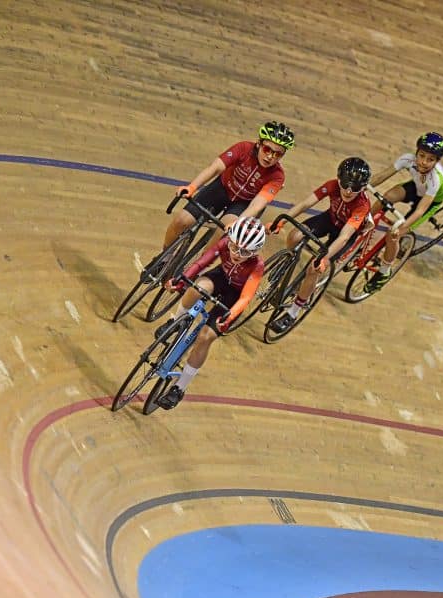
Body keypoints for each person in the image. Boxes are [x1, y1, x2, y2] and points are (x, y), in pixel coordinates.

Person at [153, 216, 268, 410]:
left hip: (235, 296)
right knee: (197, 288)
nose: (237, 254)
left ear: (255, 252)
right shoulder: (225, 243)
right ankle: (176, 320)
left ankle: (179, 388)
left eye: (244, 252)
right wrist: (182, 279)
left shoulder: (257, 266)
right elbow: (201, 263)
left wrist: (229, 316)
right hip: (221, 278)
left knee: (205, 337)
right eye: (234, 247)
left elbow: (246, 297)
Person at [267, 157, 373, 334]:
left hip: (345, 233)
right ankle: (288, 262)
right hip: (330, 219)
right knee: (295, 236)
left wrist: (324, 258)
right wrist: (281, 221)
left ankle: (293, 313)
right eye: (345, 184)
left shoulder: (362, 205)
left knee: (314, 269)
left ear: (362, 189)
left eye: (354, 188)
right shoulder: (332, 185)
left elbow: (345, 237)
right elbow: (306, 203)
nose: (348, 191)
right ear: (339, 179)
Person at [161, 121, 294, 249]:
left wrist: (237, 223)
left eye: (277, 154)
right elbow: (215, 168)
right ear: (259, 143)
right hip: (222, 188)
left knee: (223, 234)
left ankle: (196, 267)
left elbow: (257, 205)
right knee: (181, 221)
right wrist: (192, 187)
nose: (270, 156)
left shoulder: (277, 176)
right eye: (267, 149)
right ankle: (163, 259)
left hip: (244, 204)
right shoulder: (243, 148)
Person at [363, 132, 443, 293]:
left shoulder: (436, 179)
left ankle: (384, 271)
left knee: (393, 235)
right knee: (387, 197)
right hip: (417, 188)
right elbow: (383, 175)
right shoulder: (408, 159)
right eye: (421, 155)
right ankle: (361, 223)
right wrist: (363, 185)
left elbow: (420, 210)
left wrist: (401, 228)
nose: (423, 162)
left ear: (437, 161)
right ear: (416, 152)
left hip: (429, 201)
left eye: (430, 159)